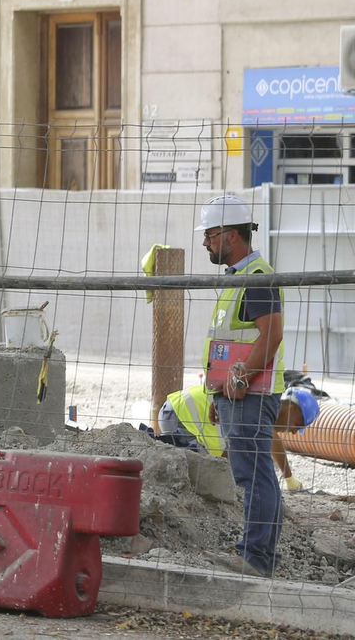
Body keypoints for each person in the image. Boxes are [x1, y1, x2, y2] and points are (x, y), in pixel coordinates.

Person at [197, 193, 284, 577]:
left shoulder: (258, 278)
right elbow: (232, 341)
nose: (205, 243)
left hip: (250, 392)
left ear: (231, 235)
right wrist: (219, 390)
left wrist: (240, 377)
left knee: (254, 474)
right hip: (235, 394)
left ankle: (255, 559)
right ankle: (257, 556)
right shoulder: (240, 279)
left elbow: (272, 335)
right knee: (253, 472)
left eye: (210, 235)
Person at [159, 384, 320, 489]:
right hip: (180, 418)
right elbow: (225, 459)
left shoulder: (266, 405)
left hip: (176, 411)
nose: (293, 432)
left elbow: (272, 437)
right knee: (210, 475)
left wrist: (289, 478)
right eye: (297, 425)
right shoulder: (257, 409)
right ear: (291, 410)